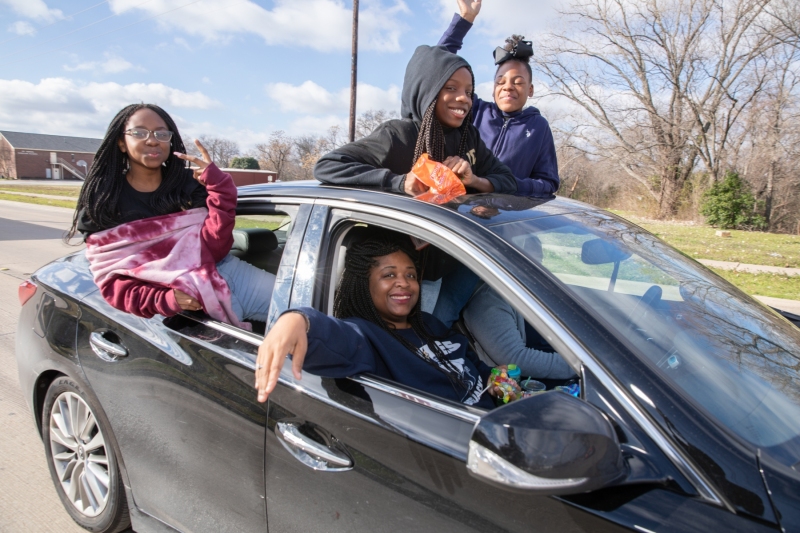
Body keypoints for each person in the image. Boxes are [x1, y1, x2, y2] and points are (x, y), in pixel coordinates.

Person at [253, 233, 520, 407]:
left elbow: (474, 366)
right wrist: (296, 320)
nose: (404, 283)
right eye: (389, 275)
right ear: (364, 285)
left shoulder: (429, 324)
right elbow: (334, 338)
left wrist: (494, 379)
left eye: (411, 275)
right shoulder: (367, 337)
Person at [68, 103, 274, 329]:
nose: (152, 140)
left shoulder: (189, 185)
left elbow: (215, 248)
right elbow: (112, 284)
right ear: (121, 142)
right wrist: (165, 299)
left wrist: (219, 185)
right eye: (139, 133)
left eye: (161, 133)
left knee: (308, 310)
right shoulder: (102, 201)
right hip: (183, 303)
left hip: (228, 273)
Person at [314, 44, 516, 196]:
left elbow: (509, 181)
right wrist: (399, 182)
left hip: (453, 243)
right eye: (451, 88)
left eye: (469, 91)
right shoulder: (397, 135)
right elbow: (327, 165)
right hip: (398, 240)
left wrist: (474, 180)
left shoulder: (469, 136)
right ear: (426, 92)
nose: (464, 98)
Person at [438, 0, 560, 198]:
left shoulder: (539, 127)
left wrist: (504, 186)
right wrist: (464, 20)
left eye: (518, 82)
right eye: (500, 81)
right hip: (456, 213)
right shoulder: (474, 110)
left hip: (502, 221)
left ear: (530, 90)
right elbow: (437, 66)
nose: (508, 86)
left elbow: (548, 183)